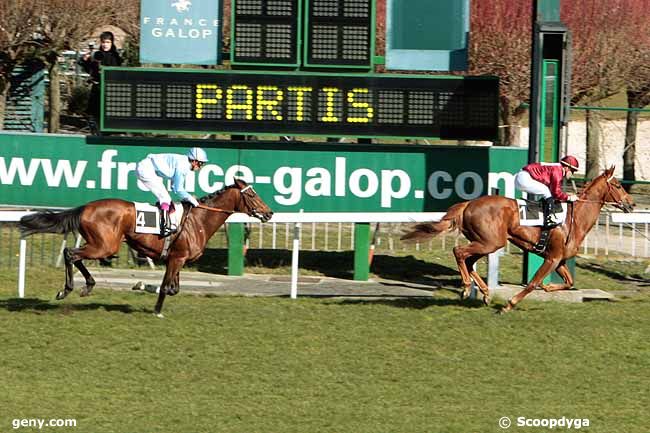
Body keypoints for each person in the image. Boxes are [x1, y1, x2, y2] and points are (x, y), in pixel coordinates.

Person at [135, 147, 208, 236]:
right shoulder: (183, 166)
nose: (200, 167)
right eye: (201, 163)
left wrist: (187, 197)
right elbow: (178, 189)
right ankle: (164, 226)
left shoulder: (184, 163)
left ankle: (162, 222)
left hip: (147, 168)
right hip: (146, 169)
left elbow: (174, 186)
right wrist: (191, 199)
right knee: (165, 198)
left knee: (165, 198)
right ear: (194, 161)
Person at [514, 155, 580, 228]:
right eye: (572, 171)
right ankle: (549, 219)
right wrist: (569, 198)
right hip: (524, 178)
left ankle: (543, 214)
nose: (572, 174)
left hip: (523, 176)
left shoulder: (557, 168)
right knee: (546, 191)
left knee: (547, 192)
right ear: (567, 167)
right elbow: (556, 193)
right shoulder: (558, 171)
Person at [78, 31, 122, 133]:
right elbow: (89, 69)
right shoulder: (97, 54)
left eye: (108, 42)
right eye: (103, 42)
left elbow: (117, 71)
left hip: (110, 90)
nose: (105, 44)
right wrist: (85, 60)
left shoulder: (115, 57)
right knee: (95, 114)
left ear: (111, 43)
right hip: (97, 89)